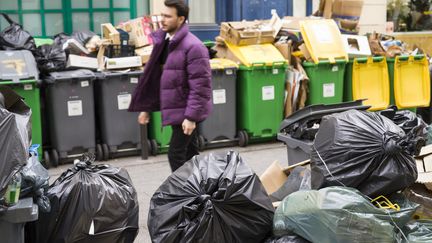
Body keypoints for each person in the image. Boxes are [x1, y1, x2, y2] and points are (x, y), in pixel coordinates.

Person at [129, 0, 212, 172]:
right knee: (190, 154)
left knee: (176, 154)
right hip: (177, 108)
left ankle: (183, 193)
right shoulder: (164, 42)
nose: (162, 20)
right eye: (162, 15)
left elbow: (201, 86)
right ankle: (198, 191)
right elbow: (154, 78)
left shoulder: (194, 46)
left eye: (168, 16)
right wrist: (146, 108)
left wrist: (191, 117)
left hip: (185, 110)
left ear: (181, 19)